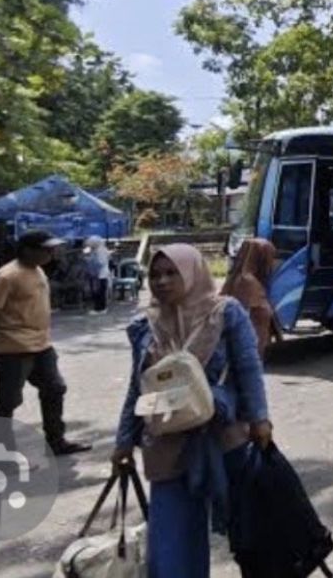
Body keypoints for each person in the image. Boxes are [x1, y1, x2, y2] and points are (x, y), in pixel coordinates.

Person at [112, 244, 273, 578]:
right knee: (170, 544)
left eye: (172, 272)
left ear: (192, 272)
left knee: (255, 534)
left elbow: (248, 369)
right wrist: (124, 440)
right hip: (167, 444)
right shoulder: (144, 326)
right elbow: (136, 387)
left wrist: (260, 419)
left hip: (223, 439)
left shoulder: (226, 314)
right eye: (155, 274)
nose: (162, 281)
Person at [0, 230, 90, 456]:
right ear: (28, 250)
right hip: (13, 348)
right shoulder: (7, 276)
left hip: (41, 345)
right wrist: (1, 335)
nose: (52, 252)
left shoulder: (37, 270)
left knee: (55, 388)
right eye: (46, 249)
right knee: (7, 401)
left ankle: (56, 440)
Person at [221, 238, 281, 360]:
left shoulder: (240, 278)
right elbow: (257, 315)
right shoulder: (248, 283)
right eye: (271, 257)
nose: (273, 263)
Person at [84, 236, 112, 313]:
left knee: (100, 292)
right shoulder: (96, 250)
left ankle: (101, 308)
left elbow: (100, 262)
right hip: (98, 274)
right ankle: (98, 308)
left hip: (101, 274)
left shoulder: (101, 251)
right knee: (97, 292)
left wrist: (90, 260)